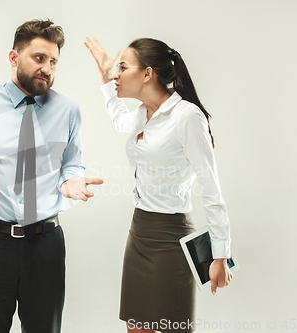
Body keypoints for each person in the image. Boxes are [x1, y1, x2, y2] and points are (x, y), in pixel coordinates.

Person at [0, 19, 103, 333]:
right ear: (14, 58)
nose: (48, 69)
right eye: (39, 58)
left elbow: (72, 164)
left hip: (46, 247)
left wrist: (71, 183)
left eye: (53, 61)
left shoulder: (68, 111)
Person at [84, 37, 233, 333]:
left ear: (147, 74)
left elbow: (211, 189)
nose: (116, 73)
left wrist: (221, 254)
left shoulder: (187, 117)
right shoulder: (142, 114)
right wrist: (104, 82)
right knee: (136, 328)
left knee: (173, 326)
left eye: (122, 67)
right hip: (139, 233)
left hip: (171, 240)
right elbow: (119, 122)